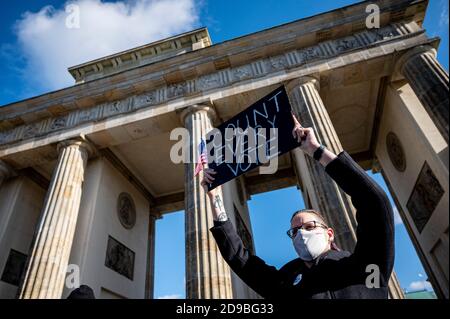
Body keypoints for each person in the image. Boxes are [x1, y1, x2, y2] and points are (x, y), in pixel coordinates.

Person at [200, 115, 395, 299]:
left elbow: (373, 202)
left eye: (309, 227)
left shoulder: (365, 265)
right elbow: (240, 260)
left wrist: (315, 150)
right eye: (294, 231)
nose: (301, 234)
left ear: (329, 233)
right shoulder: (286, 281)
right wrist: (215, 198)